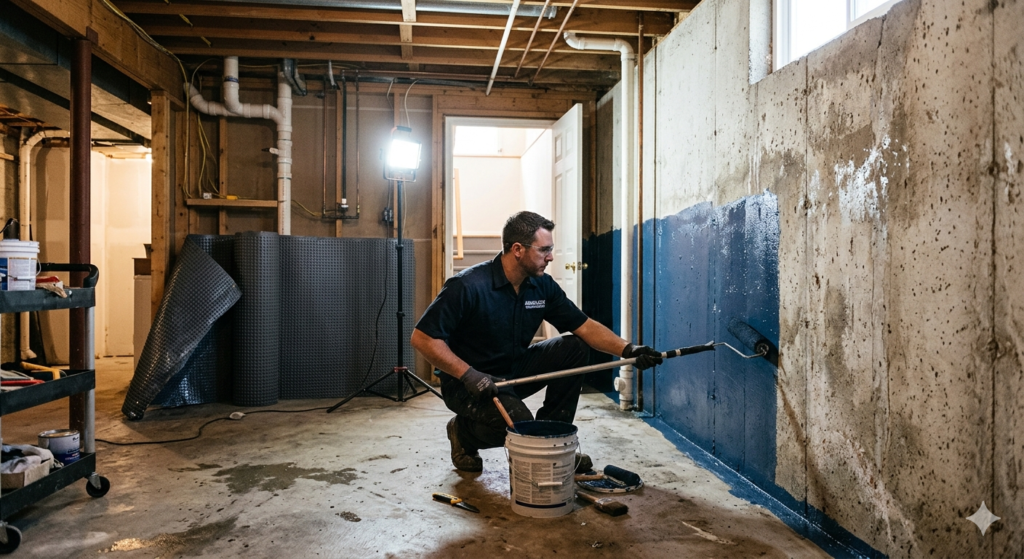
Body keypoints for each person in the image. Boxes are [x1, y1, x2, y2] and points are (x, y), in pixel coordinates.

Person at [411, 211, 663, 472]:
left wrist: (629, 350)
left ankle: (550, 443)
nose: (551, 256)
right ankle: (462, 434)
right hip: (470, 383)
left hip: (513, 371)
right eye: (544, 250)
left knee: (574, 347)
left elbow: (584, 326)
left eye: (551, 249)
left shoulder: (541, 286)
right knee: (518, 425)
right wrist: (468, 374)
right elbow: (423, 338)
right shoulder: (467, 286)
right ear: (518, 249)